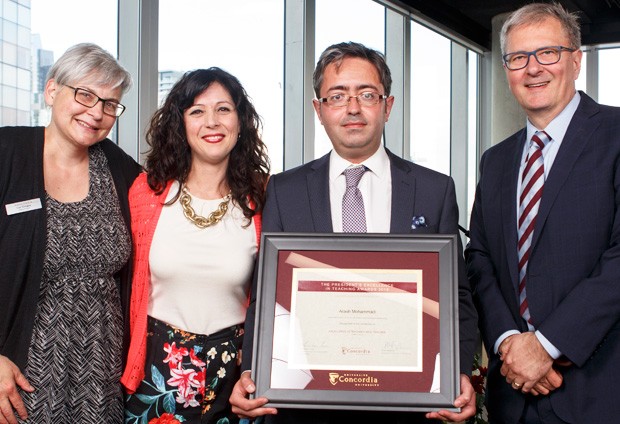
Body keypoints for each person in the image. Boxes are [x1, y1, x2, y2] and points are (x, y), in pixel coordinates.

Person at [229, 41, 478, 424]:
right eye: (337, 96)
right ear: (319, 109)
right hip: (308, 405)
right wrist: (255, 370)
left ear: (387, 106)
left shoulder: (434, 190)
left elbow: (456, 297)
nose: (353, 108)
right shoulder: (285, 190)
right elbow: (267, 299)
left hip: (408, 406)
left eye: (367, 94)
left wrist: (457, 374)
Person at [466, 3, 620, 423]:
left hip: (599, 393)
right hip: (512, 397)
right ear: (506, 69)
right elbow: (478, 258)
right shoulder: (495, 161)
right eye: (518, 58)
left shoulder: (615, 136)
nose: (533, 68)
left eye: (547, 53)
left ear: (576, 61)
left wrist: (547, 345)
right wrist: (508, 343)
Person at [0, 43, 140, 423]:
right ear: (51, 91)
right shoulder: (7, 153)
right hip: (16, 374)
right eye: (85, 94)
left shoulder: (119, 168)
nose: (96, 112)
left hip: (102, 375)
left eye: (110, 104)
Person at [121, 68, 270, 423]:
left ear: (240, 120)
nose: (212, 122)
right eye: (197, 111)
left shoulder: (264, 198)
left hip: (236, 378)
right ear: (180, 123)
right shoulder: (146, 192)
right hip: (156, 369)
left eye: (223, 109)